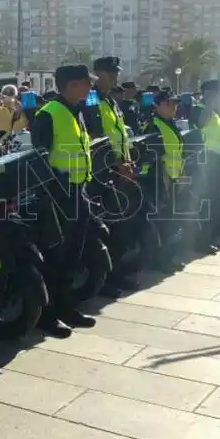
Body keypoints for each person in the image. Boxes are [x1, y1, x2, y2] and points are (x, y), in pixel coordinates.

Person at [30, 64, 104, 337]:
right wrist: (56, 190)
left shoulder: (77, 111)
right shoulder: (48, 114)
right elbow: (38, 158)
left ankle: (65, 306)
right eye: (86, 83)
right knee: (56, 257)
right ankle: (47, 315)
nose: (90, 87)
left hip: (78, 191)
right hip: (58, 196)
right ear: (72, 85)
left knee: (74, 254)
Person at [84, 56, 140, 296]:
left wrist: (127, 160)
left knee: (121, 228)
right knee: (108, 228)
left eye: (116, 72)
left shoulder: (111, 101)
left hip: (119, 172)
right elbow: (96, 137)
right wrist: (116, 164)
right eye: (110, 73)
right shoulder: (91, 98)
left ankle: (115, 274)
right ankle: (104, 280)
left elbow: (119, 135)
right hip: (102, 174)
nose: (115, 77)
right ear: (97, 74)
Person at [143, 88, 185, 270]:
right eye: (168, 103)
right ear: (157, 105)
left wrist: (181, 175)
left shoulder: (170, 123)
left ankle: (168, 258)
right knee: (163, 222)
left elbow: (177, 152)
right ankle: (160, 261)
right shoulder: (154, 126)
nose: (173, 107)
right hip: (160, 181)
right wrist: (166, 182)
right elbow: (156, 158)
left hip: (173, 178)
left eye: (175, 103)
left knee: (171, 221)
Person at [188, 79, 220, 253]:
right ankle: (202, 242)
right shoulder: (200, 109)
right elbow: (200, 124)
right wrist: (209, 104)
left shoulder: (216, 112)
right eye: (219, 93)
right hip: (206, 161)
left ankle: (210, 238)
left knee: (215, 201)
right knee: (207, 202)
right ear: (210, 94)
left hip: (216, 160)